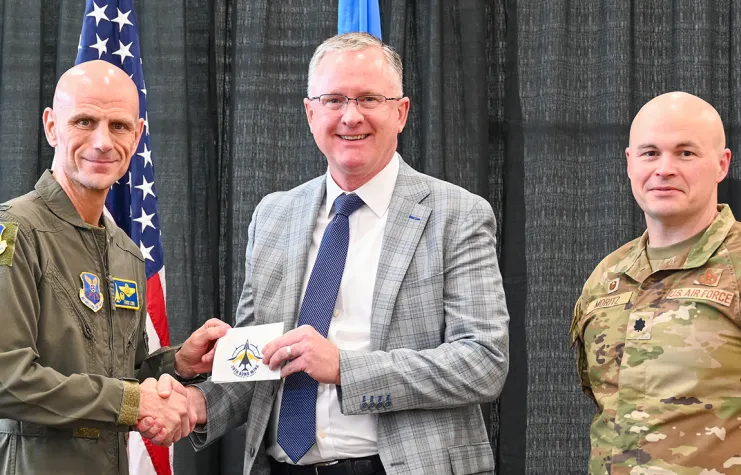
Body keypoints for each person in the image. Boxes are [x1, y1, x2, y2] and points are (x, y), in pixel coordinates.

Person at [164, 32, 510, 475]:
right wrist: (195, 403)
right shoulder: (273, 216)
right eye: (333, 100)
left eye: (369, 98)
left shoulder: (457, 215)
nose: (351, 116)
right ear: (311, 112)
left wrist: (346, 369)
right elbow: (258, 365)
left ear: (400, 112)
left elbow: (483, 361)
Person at [0, 59, 228, 474]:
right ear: (52, 126)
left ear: (138, 135)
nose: (103, 142)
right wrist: (129, 402)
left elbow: (124, 374)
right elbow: (5, 377)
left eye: (120, 126)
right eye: (85, 121)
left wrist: (178, 364)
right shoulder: (14, 231)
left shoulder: (125, 251)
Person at [571, 91, 741, 474]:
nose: (664, 169)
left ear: (721, 164)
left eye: (685, 153)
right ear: (630, 163)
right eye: (650, 153)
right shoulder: (606, 278)